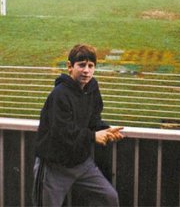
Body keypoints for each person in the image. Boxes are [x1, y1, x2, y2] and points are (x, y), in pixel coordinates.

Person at [33, 44, 124, 206]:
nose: (86, 71)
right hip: (54, 168)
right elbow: (61, 132)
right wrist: (93, 136)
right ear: (70, 67)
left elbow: (93, 120)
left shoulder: (92, 87)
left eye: (91, 66)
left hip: (82, 164)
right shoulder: (59, 94)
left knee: (110, 198)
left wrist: (106, 130)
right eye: (81, 65)